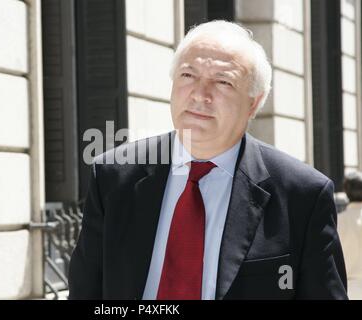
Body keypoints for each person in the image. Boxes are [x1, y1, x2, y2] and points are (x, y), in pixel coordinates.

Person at [68, 20, 348, 300]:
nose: (200, 95)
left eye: (223, 81)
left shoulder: (303, 196)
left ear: (253, 102)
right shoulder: (113, 177)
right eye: (188, 76)